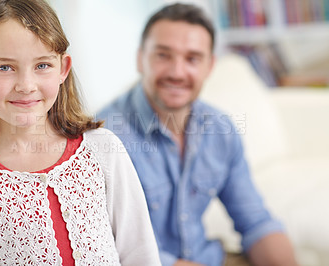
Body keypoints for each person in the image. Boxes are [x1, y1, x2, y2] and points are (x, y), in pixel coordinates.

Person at [0, 0, 161, 265]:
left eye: (42, 65)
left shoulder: (103, 152)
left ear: (63, 68)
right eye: (4, 67)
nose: (25, 85)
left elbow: (141, 253)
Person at [98, 3, 298, 266]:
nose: (177, 72)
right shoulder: (102, 138)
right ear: (140, 58)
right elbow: (110, 249)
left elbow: (256, 222)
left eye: (192, 58)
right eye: (163, 55)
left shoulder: (220, 130)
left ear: (209, 66)